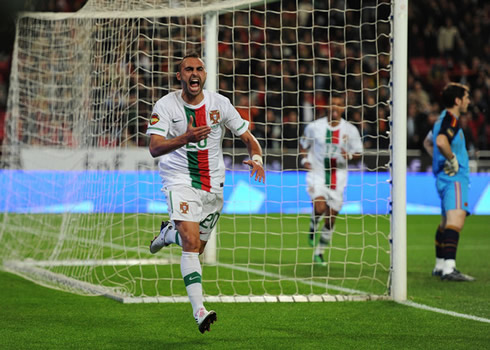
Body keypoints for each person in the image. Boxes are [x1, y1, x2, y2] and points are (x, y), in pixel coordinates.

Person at [146, 52, 265, 333]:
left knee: (195, 246)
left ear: (205, 75)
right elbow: (154, 148)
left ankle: (167, 234)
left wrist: (257, 159)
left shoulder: (220, 104)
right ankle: (199, 311)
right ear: (180, 76)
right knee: (190, 242)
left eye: (199, 69)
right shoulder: (165, 105)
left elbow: (248, 138)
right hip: (179, 179)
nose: (194, 73)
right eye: (188, 69)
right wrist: (185, 138)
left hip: (213, 184)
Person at [299, 95, 362, 266]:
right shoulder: (314, 127)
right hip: (317, 173)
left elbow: (358, 153)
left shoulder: (351, 130)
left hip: (338, 177)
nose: (336, 106)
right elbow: (303, 145)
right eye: (333, 103)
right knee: (319, 207)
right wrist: (305, 160)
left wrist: (348, 155)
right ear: (327, 106)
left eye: (340, 104)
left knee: (331, 219)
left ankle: (319, 252)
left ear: (343, 108)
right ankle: (313, 225)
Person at [422, 82, 475, 281]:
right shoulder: (451, 120)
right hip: (455, 178)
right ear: (457, 101)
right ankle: (449, 268)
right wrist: (452, 159)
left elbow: (428, 142)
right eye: (466, 97)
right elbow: (440, 142)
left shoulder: (439, 121)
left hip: (443, 178)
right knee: (456, 220)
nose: (468, 101)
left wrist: (440, 159)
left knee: (446, 222)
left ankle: (440, 265)